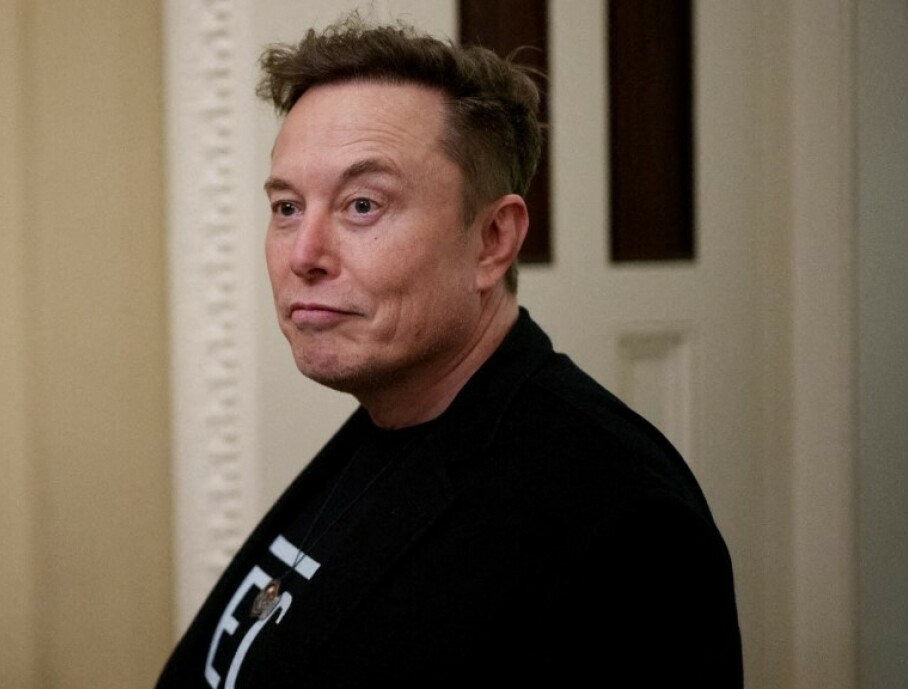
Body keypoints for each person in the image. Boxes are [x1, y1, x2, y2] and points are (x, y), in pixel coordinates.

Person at [156, 13, 742, 688]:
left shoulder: (621, 519)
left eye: (362, 205)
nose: (304, 255)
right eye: (287, 207)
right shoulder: (389, 419)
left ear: (493, 240)